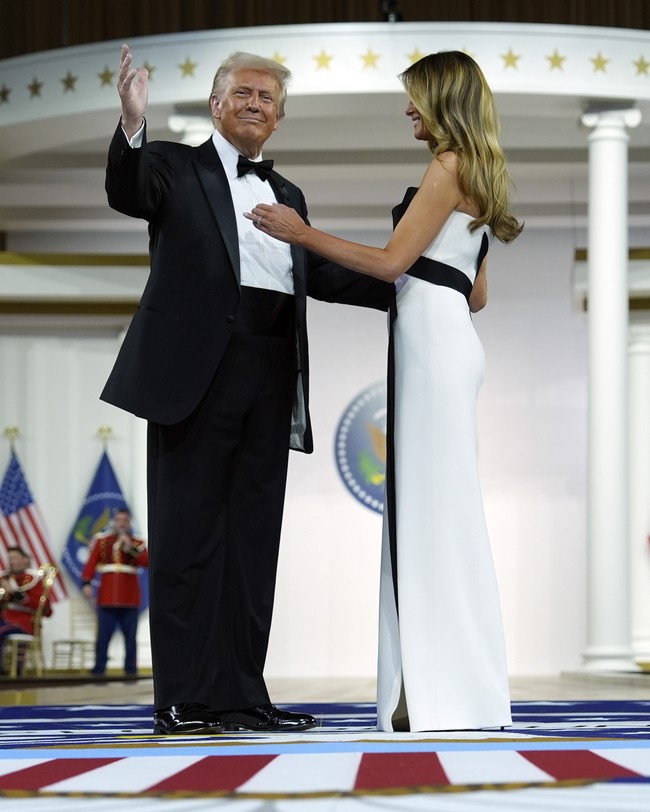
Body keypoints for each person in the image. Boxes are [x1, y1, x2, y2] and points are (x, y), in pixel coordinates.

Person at [101, 44, 393, 735]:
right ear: (216, 103)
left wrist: (408, 288)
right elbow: (127, 190)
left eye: (266, 98)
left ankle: (240, 696)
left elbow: (318, 274)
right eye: (242, 93)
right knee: (186, 539)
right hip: (194, 374)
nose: (254, 104)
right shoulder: (172, 165)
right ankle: (182, 698)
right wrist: (132, 121)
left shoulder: (289, 196)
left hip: (269, 372)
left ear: (280, 117)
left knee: (251, 542)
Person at [246, 51, 523, 732]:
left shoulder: (448, 166)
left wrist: (300, 233)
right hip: (451, 339)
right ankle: (444, 690)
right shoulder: (480, 173)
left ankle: (435, 694)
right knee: (438, 513)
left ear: (441, 100)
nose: (408, 111)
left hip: (432, 350)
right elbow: (477, 294)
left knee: (426, 517)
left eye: (415, 99)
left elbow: (393, 262)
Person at [81, 508, 148, 677]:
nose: (121, 523)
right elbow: (91, 562)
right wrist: (86, 582)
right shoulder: (103, 541)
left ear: (129, 522)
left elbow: (146, 562)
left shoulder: (138, 542)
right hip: (107, 597)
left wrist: (130, 546)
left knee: (130, 638)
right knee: (103, 636)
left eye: (125, 520)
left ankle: (131, 670)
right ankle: (99, 668)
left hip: (129, 598)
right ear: (114, 521)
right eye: (118, 520)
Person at [0, 547, 53, 669]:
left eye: (14, 558)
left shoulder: (33, 579)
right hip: (5, 619)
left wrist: (15, 593)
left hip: (23, 622)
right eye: (9, 558)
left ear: (25, 560)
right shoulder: (6, 578)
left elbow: (43, 607)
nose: (11, 561)